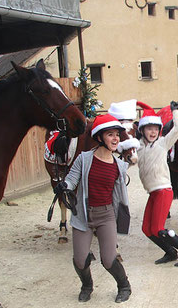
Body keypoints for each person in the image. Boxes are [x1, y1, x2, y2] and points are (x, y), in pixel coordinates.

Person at [54, 114, 132, 303]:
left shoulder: (120, 166)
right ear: (99, 137)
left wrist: (123, 215)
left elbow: (120, 194)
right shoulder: (84, 158)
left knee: (109, 259)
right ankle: (87, 286)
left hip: (106, 216)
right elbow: (72, 179)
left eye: (117, 135)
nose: (115, 139)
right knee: (80, 260)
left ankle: (124, 286)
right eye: (110, 135)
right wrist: (64, 185)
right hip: (83, 214)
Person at [136, 101, 178, 267]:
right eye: (149, 128)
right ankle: (171, 252)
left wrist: (175, 111)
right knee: (146, 229)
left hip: (163, 191)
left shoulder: (163, 143)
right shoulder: (139, 148)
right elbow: (128, 159)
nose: (153, 132)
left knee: (157, 228)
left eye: (156, 128)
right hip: (153, 193)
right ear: (142, 130)